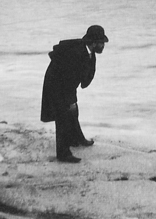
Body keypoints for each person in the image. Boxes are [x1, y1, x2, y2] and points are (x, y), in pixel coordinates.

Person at [40, 24, 108, 163]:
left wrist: (72, 99)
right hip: (56, 83)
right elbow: (67, 80)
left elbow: (81, 77)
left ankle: (77, 138)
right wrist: (70, 100)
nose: (103, 46)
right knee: (63, 115)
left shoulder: (88, 51)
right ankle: (63, 153)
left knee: (73, 110)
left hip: (66, 82)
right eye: (102, 43)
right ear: (94, 43)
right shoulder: (76, 54)